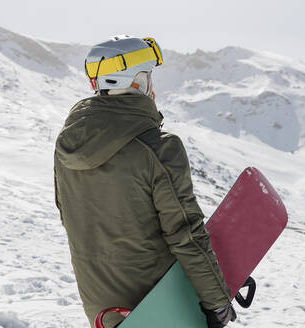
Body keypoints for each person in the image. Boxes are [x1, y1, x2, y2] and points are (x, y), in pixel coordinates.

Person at [54, 35, 236, 328]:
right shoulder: (159, 148)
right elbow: (184, 233)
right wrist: (216, 299)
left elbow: (72, 218)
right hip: (158, 304)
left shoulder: (66, 147)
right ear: (137, 81)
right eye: (149, 77)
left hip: (102, 307)